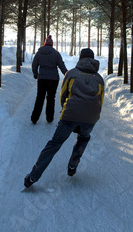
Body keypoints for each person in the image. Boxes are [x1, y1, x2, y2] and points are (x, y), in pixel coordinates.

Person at [24, 48, 104, 187]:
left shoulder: (71, 73)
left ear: (80, 58)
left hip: (70, 114)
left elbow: (63, 95)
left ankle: (33, 177)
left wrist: (66, 112)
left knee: (54, 144)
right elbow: (100, 101)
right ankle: (72, 166)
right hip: (91, 117)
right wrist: (93, 117)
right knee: (83, 138)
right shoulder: (99, 79)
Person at [30, 35, 68, 124]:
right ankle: (49, 118)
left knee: (40, 98)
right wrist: (67, 75)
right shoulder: (56, 53)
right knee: (51, 98)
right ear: (52, 44)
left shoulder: (39, 53)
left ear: (45, 43)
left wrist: (35, 74)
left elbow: (34, 65)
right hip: (53, 79)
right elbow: (61, 65)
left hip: (42, 79)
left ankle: (34, 118)